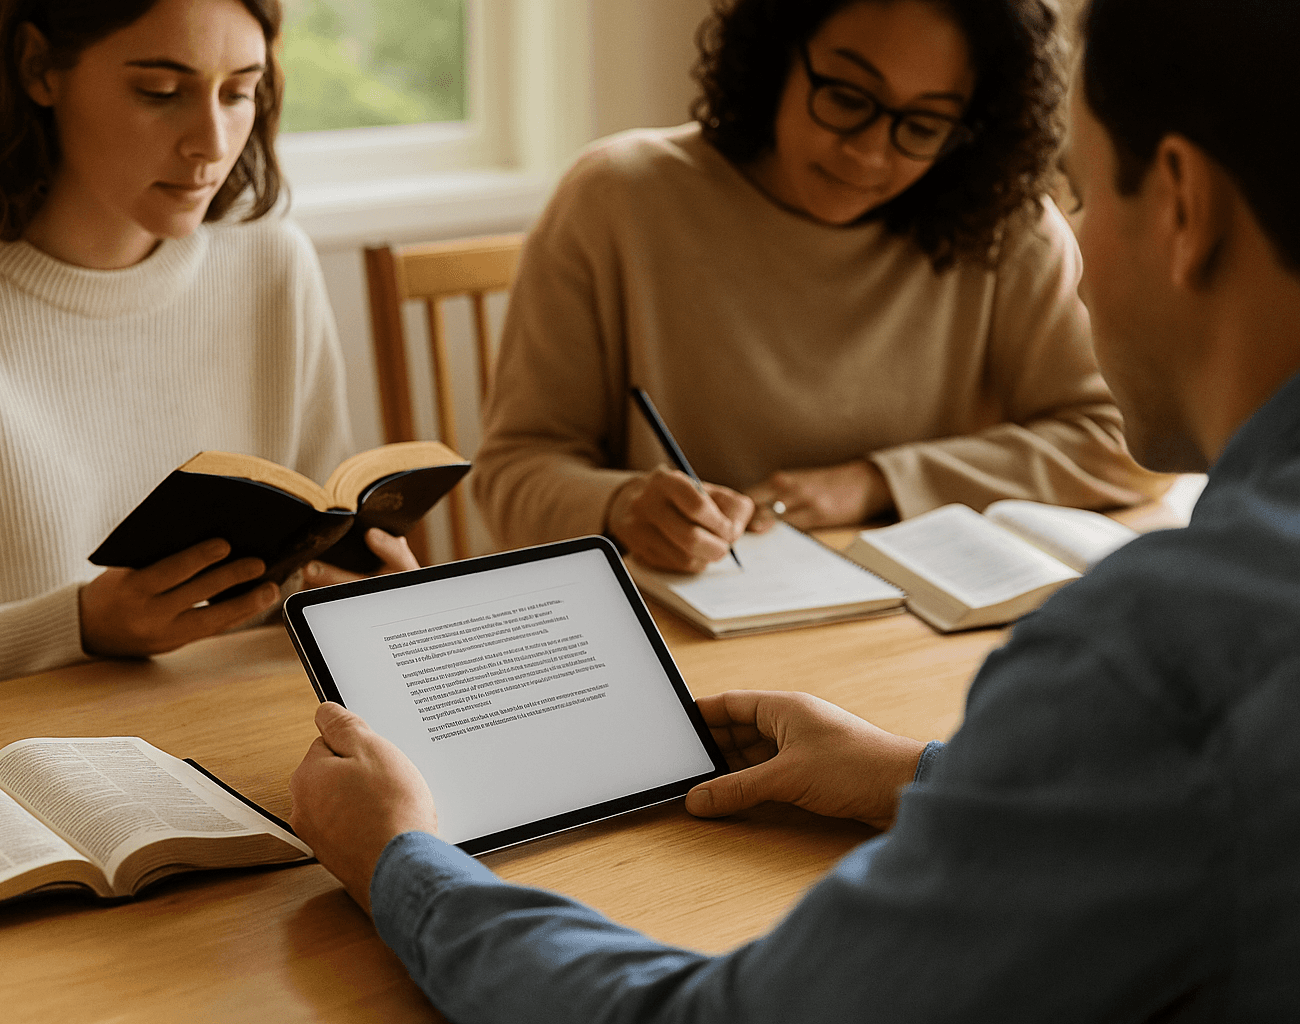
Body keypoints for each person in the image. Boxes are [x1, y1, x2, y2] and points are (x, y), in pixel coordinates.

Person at [286, 0, 1300, 1016]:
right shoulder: (1196, 667)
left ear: (1180, 204)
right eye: (847, 96)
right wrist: (916, 774)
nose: (1069, 247)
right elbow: (1141, 814)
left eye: (1078, 191)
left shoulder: (1161, 653)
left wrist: (400, 861)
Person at [0, 0, 413, 722]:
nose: (213, 141)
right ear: (40, 68)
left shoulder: (272, 261)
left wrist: (355, 597)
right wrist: (80, 627)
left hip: (237, 743)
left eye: (239, 92)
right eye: (160, 93)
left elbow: (303, 561)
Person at [472, 0, 1169, 573]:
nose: (869, 152)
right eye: (846, 96)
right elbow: (512, 473)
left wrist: (874, 481)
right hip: (679, 632)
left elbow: (1124, 445)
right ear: (778, 53)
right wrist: (621, 505)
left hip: (907, 633)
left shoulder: (1002, 226)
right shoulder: (617, 200)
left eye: (922, 124)